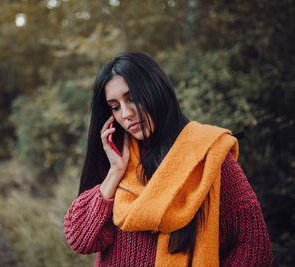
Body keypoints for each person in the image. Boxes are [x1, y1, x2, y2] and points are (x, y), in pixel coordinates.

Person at [63, 52, 273, 266]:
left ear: (156, 90)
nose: (126, 113)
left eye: (132, 98)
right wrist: (116, 171)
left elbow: (254, 245)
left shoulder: (207, 156)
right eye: (115, 107)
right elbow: (80, 240)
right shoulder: (117, 162)